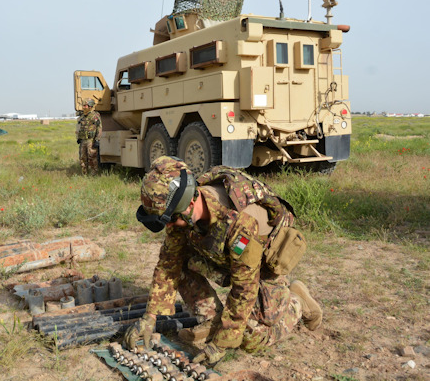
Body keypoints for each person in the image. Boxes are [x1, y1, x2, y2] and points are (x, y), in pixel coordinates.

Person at [124, 156, 322, 366]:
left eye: (172, 219)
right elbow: (168, 262)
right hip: (228, 254)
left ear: (190, 203)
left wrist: (221, 344)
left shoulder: (240, 223)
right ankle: (212, 319)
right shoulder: (183, 212)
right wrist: (150, 317)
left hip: (263, 262)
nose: (170, 227)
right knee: (179, 262)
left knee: (249, 338)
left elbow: (244, 286)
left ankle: (296, 302)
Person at [76, 98, 102, 175]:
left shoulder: (95, 116)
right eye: (83, 105)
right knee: (82, 158)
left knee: (92, 158)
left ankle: (94, 174)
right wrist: (78, 138)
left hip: (91, 140)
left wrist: (97, 139)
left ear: (90, 106)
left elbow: (99, 128)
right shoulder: (82, 116)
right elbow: (78, 127)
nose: (84, 107)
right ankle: (84, 174)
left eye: (85, 105)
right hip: (83, 140)